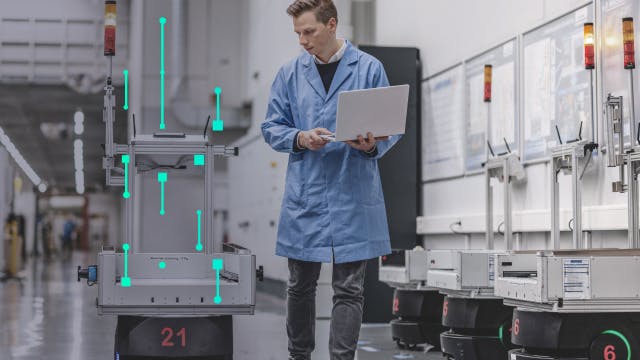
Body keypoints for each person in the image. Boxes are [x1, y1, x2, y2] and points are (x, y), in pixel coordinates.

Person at [260, 1, 400, 359]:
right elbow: (272, 127)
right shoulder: (289, 74)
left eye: (309, 31)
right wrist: (300, 137)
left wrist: (371, 146)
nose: (302, 41)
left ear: (332, 24)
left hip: (353, 191)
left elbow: (391, 129)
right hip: (306, 193)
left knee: (349, 289)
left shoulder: (369, 68)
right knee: (300, 286)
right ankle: (299, 355)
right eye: (298, 34)